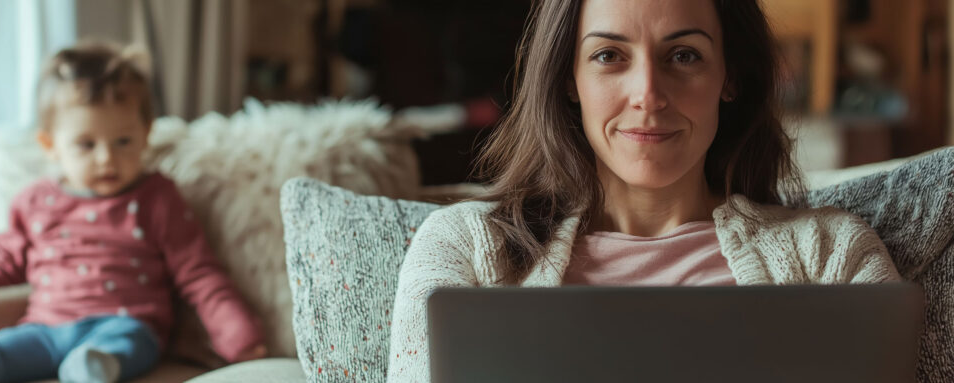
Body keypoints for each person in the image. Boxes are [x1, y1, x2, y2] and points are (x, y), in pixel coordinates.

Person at [386, 0, 901, 381]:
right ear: (568, 78)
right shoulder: (465, 249)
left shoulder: (831, 256)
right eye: (609, 55)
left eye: (684, 55)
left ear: (730, 77)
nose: (648, 95)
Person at [0, 41, 266, 383]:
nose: (107, 158)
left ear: (145, 133)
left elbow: (199, 273)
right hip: (45, 328)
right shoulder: (33, 201)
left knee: (121, 347)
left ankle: (90, 371)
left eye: (123, 141)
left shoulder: (156, 198)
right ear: (50, 145)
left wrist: (237, 333)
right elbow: (6, 262)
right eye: (86, 145)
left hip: (128, 324)